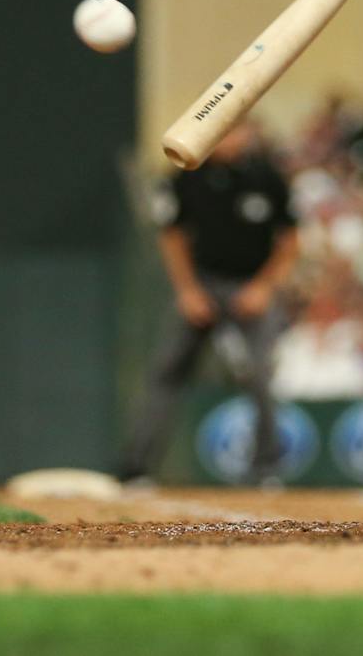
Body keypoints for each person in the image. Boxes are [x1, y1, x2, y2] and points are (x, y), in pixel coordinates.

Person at [117, 122, 298, 485]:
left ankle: (266, 468)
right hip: (203, 285)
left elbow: (290, 240)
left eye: (237, 132)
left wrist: (264, 287)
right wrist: (187, 291)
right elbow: (173, 238)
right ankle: (136, 469)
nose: (231, 139)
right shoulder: (187, 178)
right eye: (224, 132)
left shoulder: (267, 178)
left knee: (261, 375)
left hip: (251, 289)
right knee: (166, 374)